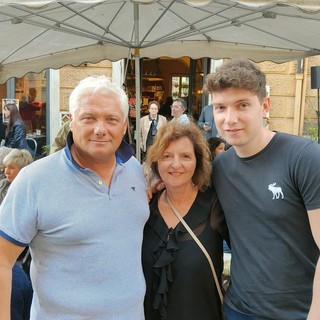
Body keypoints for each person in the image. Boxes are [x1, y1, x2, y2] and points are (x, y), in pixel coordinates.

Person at [0, 76, 150, 319]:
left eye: (111, 119)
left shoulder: (134, 170)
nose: (100, 129)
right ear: (71, 122)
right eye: (88, 118)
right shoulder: (35, 180)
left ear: (124, 126)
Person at [204, 59, 320, 320]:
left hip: (299, 312)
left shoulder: (304, 157)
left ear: (264, 106)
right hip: (238, 310)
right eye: (220, 107)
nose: (229, 118)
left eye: (242, 105)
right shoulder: (220, 167)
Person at [142, 121, 228, 320]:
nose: (176, 164)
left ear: (198, 161)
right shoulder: (144, 207)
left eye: (185, 156)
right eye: (167, 156)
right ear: (156, 162)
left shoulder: (215, 206)